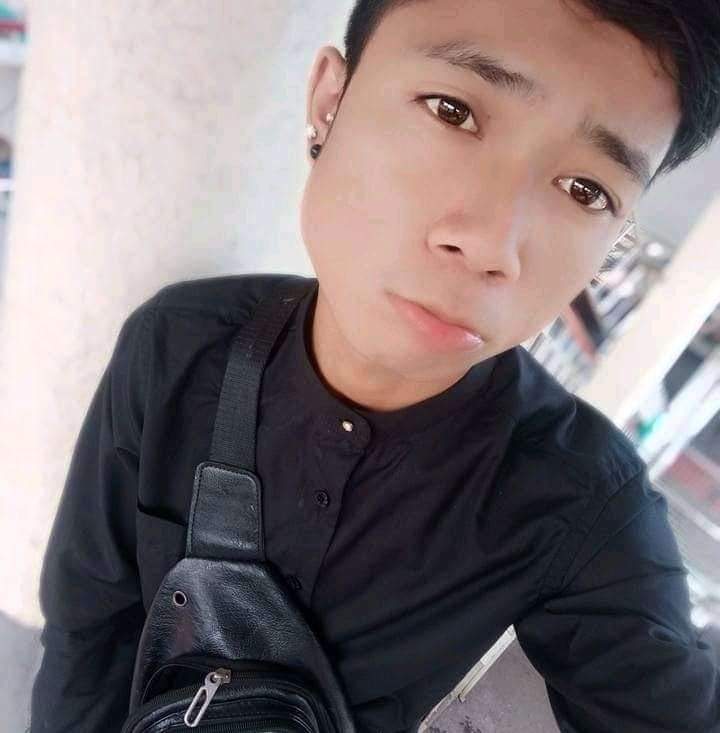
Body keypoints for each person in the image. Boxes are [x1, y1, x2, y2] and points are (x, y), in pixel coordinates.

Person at [30, 1, 720, 731]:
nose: (492, 244)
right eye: (453, 111)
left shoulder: (575, 499)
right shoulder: (177, 346)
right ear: (330, 103)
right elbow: (86, 635)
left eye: (587, 190)